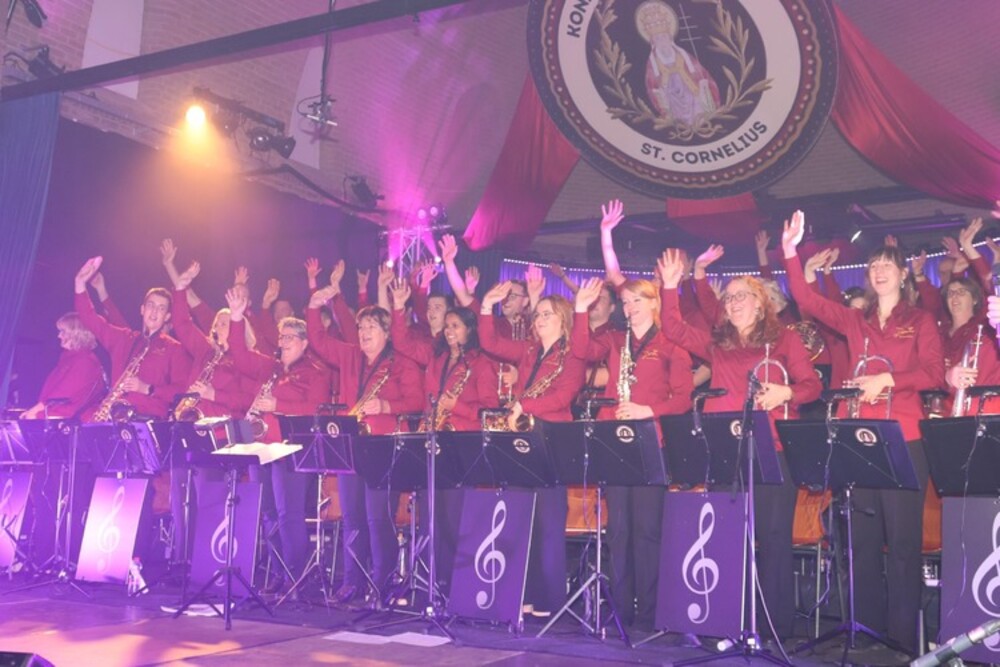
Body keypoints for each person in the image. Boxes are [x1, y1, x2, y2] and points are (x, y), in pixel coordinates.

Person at [781, 210, 944, 654]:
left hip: (905, 437)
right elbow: (807, 299)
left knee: (904, 544)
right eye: (873, 265)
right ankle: (867, 632)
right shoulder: (856, 320)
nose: (879, 270)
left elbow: (934, 374)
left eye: (887, 264)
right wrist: (790, 252)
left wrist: (888, 380)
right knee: (863, 541)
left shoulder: (921, 320)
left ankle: (904, 640)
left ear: (903, 274)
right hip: (861, 437)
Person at [657, 248, 822, 641]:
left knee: (774, 537)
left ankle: (776, 627)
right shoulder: (718, 344)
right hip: (724, 448)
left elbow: (813, 385)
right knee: (726, 535)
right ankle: (727, 619)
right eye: (728, 298)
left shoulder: (784, 340)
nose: (732, 303)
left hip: (772, 448)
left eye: (741, 296)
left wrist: (785, 392)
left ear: (760, 304)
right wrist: (669, 286)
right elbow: (674, 328)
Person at [572, 277, 693, 631]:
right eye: (625, 302)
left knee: (647, 531)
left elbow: (684, 398)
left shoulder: (671, 343)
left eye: (637, 301)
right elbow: (580, 351)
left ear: (654, 303)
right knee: (618, 530)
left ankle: (650, 612)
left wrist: (648, 410)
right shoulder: (614, 340)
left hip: (652, 441)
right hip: (615, 441)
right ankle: (620, 609)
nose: (629, 308)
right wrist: (580, 309)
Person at [305, 276, 423, 605]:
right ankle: (352, 582)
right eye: (361, 327)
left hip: (384, 448)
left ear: (387, 331)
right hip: (351, 446)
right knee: (352, 518)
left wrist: (386, 406)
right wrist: (314, 306)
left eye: (371, 326)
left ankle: (381, 583)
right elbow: (318, 340)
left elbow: (417, 402)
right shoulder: (350, 356)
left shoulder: (402, 362)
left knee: (377, 518)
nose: (364, 332)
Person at [478, 282, 586, 616]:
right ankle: (521, 593)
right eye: (537, 314)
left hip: (552, 441)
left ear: (563, 319)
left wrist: (524, 404)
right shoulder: (528, 350)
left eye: (546, 315)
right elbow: (490, 343)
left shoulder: (573, 355)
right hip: (522, 439)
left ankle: (549, 599)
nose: (538, 319)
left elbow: (563, 397)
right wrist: (486, 306)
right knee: (521, 519)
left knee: (549, 524)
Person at [225, 287, 331, 594]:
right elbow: (241, 357)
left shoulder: (316, 372)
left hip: (291, 451)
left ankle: (296, 576)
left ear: (304, 343)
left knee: (288, 514)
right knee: (268, 513)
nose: (282, 342)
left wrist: (278, 405)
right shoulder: (270, 367)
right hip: (261, 448)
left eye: (289, 338)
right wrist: (236, 318)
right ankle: (279, 572)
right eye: (281, 337)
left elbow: (316, 410)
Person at [74, 256, 191, 421]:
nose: (154, 312)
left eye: (161, 308)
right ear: (142, 309)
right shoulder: (124, 338)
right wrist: (80, 283)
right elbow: (91, 320)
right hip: (115, 415)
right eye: (150, 305)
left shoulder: (175, 349)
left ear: (167, 317)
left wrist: (148, 389)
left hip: (148, 419)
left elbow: (181, 390)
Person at [636, 0, 720, 127]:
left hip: (691, 91)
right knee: (678, 118)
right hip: (671, 97)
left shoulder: (683, 55)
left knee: (698, 110)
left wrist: (702, 83)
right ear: (653, 42)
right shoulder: (653, 63)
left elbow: (700, 73)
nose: (662, 41)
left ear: (670, 38)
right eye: (658, 38)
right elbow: (652, 86)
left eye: (664, 37)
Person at [19, 313, 104, 420]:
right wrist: (34, 410)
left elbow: (62, 394)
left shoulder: (84, 361)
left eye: (63, 331)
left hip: (74, 417)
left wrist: (34, 412)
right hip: (64, 412)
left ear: (76, 334)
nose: (59, 336)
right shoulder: (72, 358)